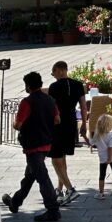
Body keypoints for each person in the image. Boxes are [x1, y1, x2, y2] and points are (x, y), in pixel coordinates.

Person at [1, 71, 62, 222]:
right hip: (46, 144)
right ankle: (15, 202)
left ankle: (53, 209)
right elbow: (57, 120)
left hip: (33, 145)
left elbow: (18, 124)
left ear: (27, 86)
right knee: (30, 176)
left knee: (42, 178)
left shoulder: (27, 102)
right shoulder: (50, 100)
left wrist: (21, 124)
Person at [47, 61, 88, 206]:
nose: (53, 76)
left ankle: (70, 189)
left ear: (59, 70)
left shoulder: (54, 87)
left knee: (55, 159)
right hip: (71, 123)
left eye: (53, 73)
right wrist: (84, 123)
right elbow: (83, 107)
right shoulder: (78, 85)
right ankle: (59, 189)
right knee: (62, 157)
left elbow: (53, 108)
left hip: (58, 125)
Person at [91, 114, 112, 201]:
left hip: (102, 158)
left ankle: (101, 193)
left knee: (102, 175)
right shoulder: (111, 136)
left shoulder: (97, 135)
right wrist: (110, 158)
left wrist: (84, 136)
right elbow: (111, 148)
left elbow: (92, 144)